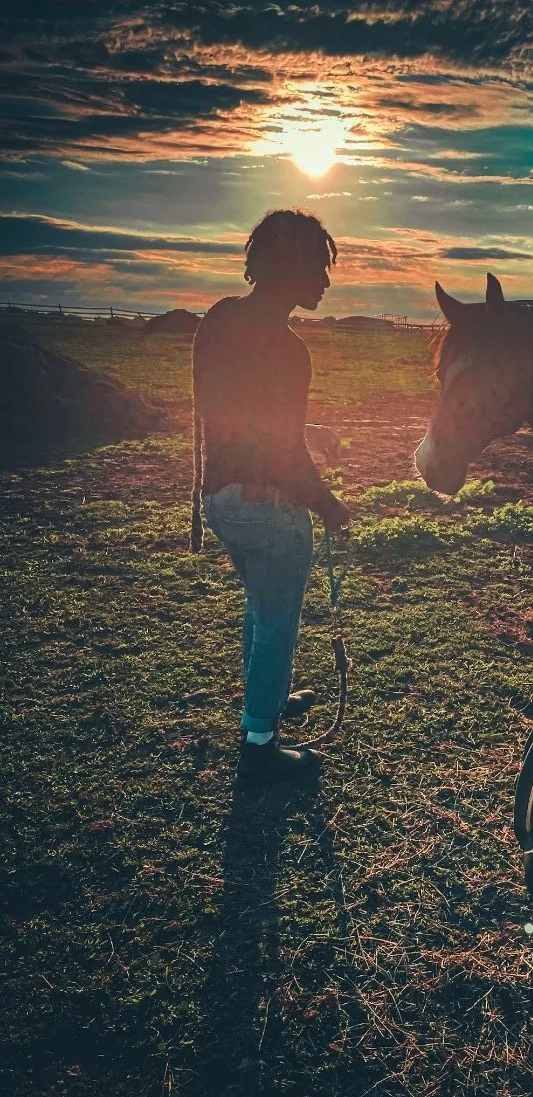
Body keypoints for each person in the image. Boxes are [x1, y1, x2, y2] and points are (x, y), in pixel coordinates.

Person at [190, 209, 352, 784]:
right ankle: (260, 743)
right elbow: (281, 454)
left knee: (261, 605)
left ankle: (267, 703)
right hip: (266, 506)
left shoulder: (219, 320)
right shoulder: (288, 350)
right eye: (319, 268)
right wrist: (331, 507)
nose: (326, 282)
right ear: (292, 267)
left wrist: (304, 434)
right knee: (278, 615)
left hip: (221, 501)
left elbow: (237, 417)